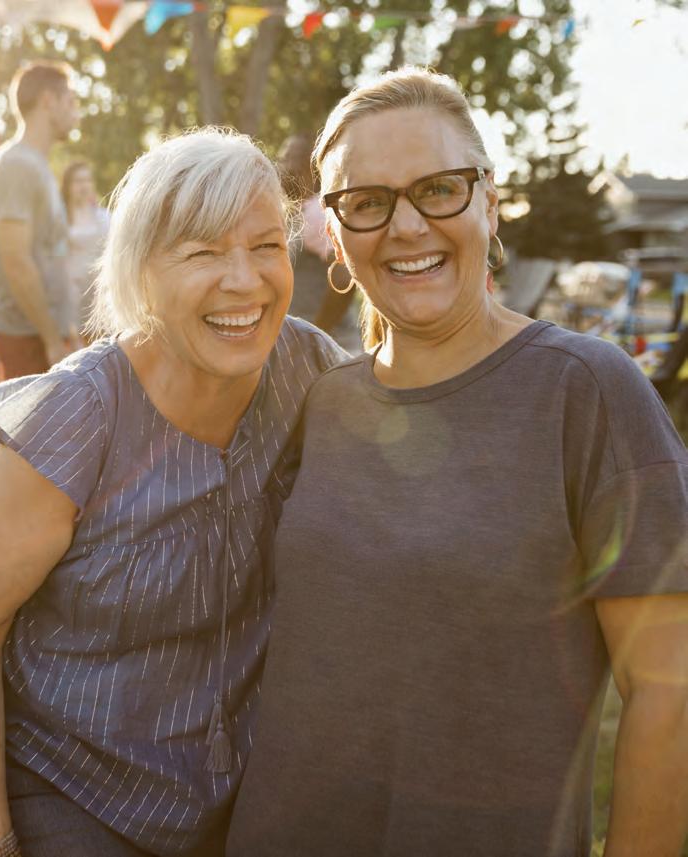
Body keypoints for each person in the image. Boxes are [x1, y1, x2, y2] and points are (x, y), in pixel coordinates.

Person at [227, 68, 688, 857]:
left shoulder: (587, 390)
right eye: (367, 201)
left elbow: (668, 691)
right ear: (336, 234)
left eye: (439, 189)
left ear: (490, 203)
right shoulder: (321, 402)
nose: (407, 227)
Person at [0, 127, 345, 857]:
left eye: (266, 245)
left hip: (244, 798)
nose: (245, 280)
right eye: (203, 253)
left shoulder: (311, 370)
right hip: (72, 793)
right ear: (140, 270)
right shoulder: (73, 418)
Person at [0, 61, 80, 380]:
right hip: (26, 336)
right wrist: (52, 340)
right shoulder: (16, 165)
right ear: (48, 101)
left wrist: (65, 328)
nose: (76, 112)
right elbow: (16, 262)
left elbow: (52, 253)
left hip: (46, 333)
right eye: (70, 101)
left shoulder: (37, 165)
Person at [277, 133, 356, 338]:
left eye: (290, 158)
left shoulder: (316, 214)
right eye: (282, 159)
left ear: (310, 168)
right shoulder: (295, 213)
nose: (283, 167)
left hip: (335, 346)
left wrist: (317, 335)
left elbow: (344, 276)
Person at [61, 160, 110, 340]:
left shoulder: (104, 217)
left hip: (100, 290)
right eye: (78, 181)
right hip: (70, 292)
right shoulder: (60, 219)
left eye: (87, 180)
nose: (83, 185)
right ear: (68, 186)